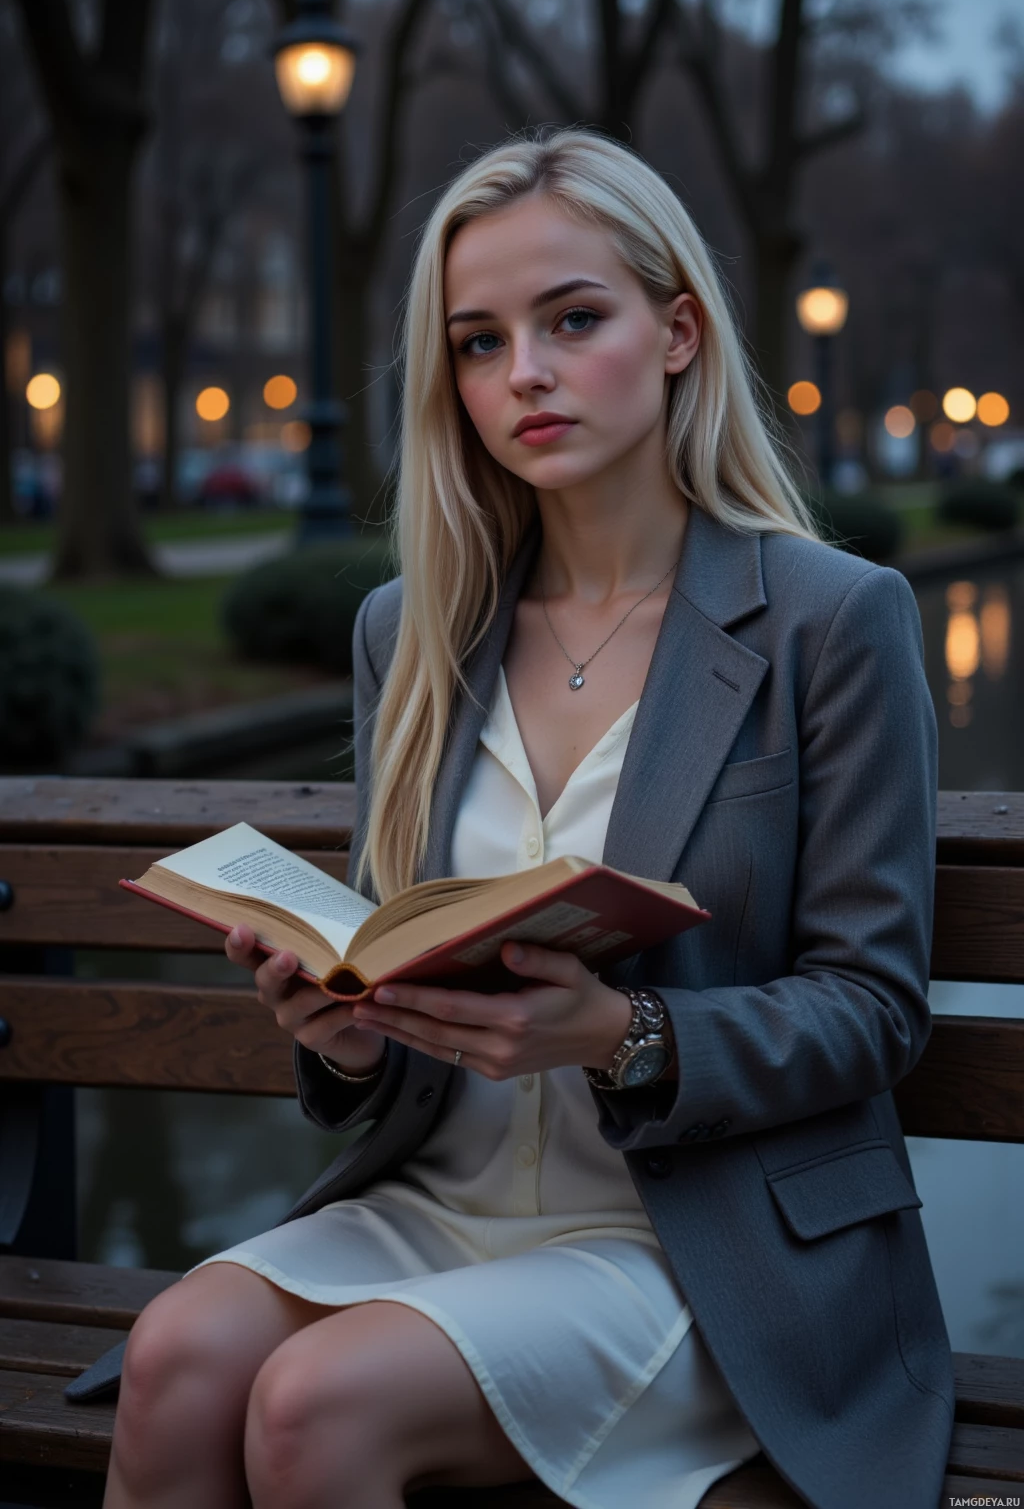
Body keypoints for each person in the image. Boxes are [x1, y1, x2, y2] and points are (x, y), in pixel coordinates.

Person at [97, 127, 953, 1509]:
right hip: (437, 1204)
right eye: (479, 343)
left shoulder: (830, 618)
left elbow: (874, 1006)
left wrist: (629, 1034)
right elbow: (402, 970)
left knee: (317, 1402)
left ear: (677, 332)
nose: (525, 376)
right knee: (177, 1360)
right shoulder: (415, 630)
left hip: (702, 1244)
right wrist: (346, 1030)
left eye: (572, 320)